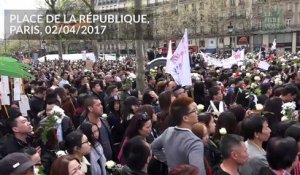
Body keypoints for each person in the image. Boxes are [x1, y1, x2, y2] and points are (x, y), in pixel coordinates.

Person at [151, 96, 206, 175]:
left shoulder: (168, 131)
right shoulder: (194, 142)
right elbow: (199, 172)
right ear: (185, 118)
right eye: (194, 111)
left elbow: (154, 146)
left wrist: (168, 161)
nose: (197, 112)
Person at [81, 95, 113, 161]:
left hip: (110, 161)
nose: (101, 106)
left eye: (101, 104)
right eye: (98, 105)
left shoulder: (104, 121)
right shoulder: (84, 128)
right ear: (90, 108)